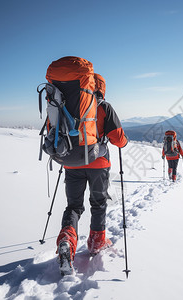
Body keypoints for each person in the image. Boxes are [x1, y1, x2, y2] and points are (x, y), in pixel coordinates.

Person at [57, 73, 128, 265]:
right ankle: (97, 242)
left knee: (73, 206)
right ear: (101, 88)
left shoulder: (68, 106)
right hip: (99, 164)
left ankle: (67, 240)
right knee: (98, 204)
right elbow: (119, 140)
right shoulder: (104, 107)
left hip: (71, 163)